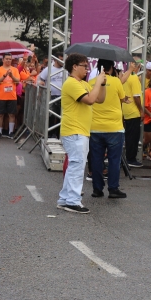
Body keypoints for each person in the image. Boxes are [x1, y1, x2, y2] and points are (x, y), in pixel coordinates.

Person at [57, 54, 107, 214]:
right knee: (77, 166)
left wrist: (103, 84)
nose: (87, 68)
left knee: (76, 165)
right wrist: (98, 81)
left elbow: (100, 99)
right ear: (74, 66)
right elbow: (90, 100)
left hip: (80, 131)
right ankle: (72, 201)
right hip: (74, 131)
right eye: (84, 66)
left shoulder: (83, 83)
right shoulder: (71, 83)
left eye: (87, 66)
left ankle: (65, 199)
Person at [88, 59, 128, 199]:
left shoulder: (91, 82)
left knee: (96, 160)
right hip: (114, 128)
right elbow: (123, 98)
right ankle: (113, 189)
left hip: (95, 128)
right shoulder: (116, 81)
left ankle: (97, 189)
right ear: (111, 68)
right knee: (114, 160)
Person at [0, 53, 21, 138]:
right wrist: (5, 75)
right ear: (3, 60)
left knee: (11, 114)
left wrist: (11, 75)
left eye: (10, 59)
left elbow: (17, 81)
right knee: (0, 114)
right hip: (1, 96)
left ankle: (10, 132)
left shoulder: (14, 69)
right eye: (7, 59)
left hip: (12, 96)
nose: (8, 60)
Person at [121, 61, 144, 167]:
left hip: (125, 110)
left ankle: (129, 157)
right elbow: (136, 96)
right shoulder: (134, 78)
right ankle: (131, 159)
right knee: (133, 137)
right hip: (133, 111)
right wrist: (141, 110)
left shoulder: (123, 77)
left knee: (129, 136)